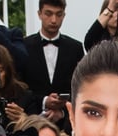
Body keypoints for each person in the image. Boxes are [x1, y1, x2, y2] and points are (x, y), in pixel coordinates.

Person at [22, 0, 84, 128]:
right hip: (31, 122)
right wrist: (44, 101)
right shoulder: (24, 46)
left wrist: (62, 112)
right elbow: (20, 88)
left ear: (64, 15)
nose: (54, 20)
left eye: (59, 14)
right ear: (39, 14)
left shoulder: (75, 48)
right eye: (48, 14)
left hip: (66, 125)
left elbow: (81, 88)